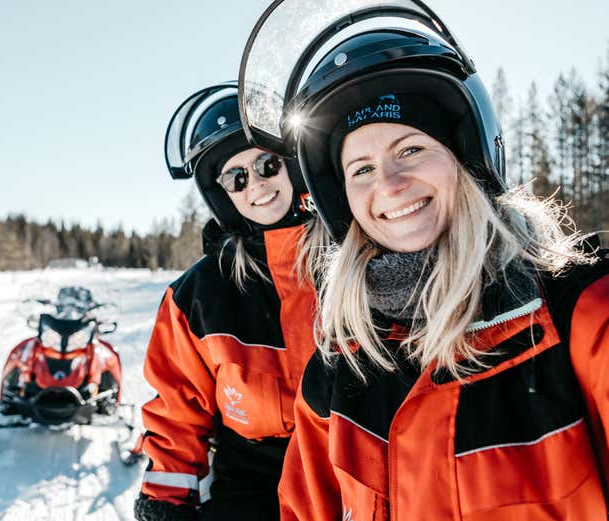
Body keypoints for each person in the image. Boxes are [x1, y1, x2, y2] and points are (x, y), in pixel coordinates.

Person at [235, 1, 609, 519]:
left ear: (467, 157)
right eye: (360, 168)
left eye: (410, 150)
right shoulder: (340, 365)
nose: (387, 185)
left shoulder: (582, 316)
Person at [133, 82, 327, 521]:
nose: (256, 184)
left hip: (349, 467)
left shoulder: (353, 262)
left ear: (291, 164)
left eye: (266, 163)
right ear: (223, 194)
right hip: (252, 479)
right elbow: (178, 409)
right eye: (237, 177)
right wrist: (166, 500)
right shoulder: (199, 295)